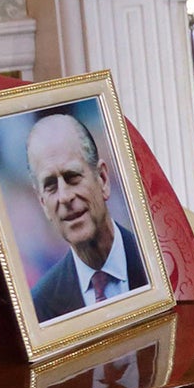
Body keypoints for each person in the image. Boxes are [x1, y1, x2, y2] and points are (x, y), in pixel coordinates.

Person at [25, 111, 145, 322]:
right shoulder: (40, 307)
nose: (65, 197)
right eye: (51, 186)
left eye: (73, 177)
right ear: (43, 203)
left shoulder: (157, 263)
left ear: (103, 179)